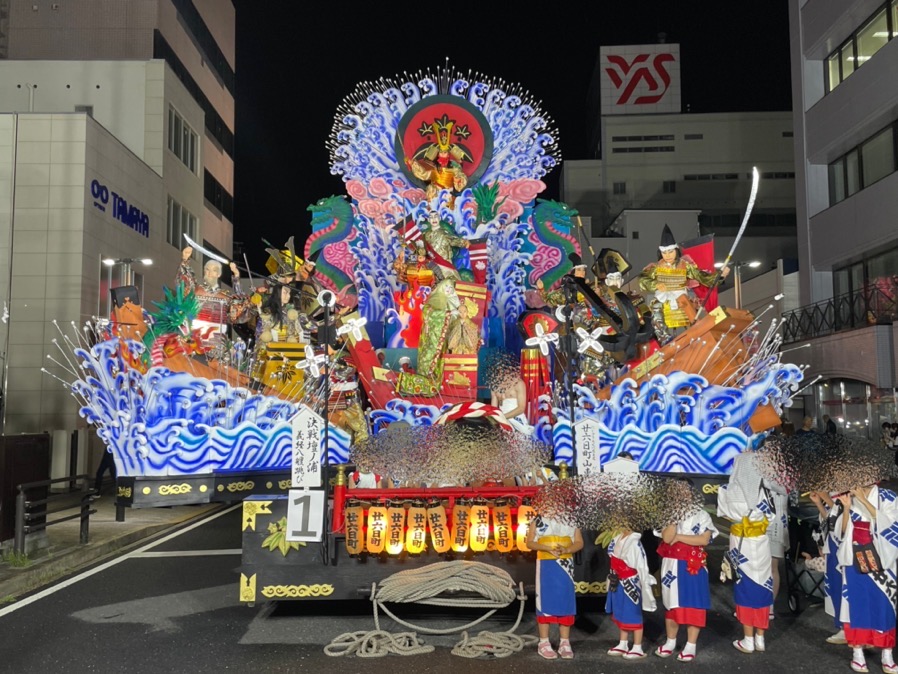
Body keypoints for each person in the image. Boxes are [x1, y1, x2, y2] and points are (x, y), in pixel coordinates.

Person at [833, 482, 898, 674]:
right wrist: (846, 508)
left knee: (884, 606)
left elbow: (892, 526)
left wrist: (862, 499)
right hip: (854, 555)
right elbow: (841, 531)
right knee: (857, 606)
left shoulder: (888, 497)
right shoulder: (848, 495)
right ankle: (858, 655)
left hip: (881, 557)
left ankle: (887, 655)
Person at [717, 450, 773, 654]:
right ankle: (760, 638)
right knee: (763, 585)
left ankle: (748, 639)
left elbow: (723, 512)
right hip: (761, 542)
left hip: (741, 542)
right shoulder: (765, 490)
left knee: (745, 587)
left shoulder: (730, 490)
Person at [654, 492, 719, 662]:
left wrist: (679, 538)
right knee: (671, 604)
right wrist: (674, 517)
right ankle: (670, 642)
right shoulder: (668, 514)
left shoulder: (702, 514)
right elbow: (667, 538)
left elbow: (703, 540)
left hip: (693, 564)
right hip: (671, 566)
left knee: (694, 604)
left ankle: (691, 645)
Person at [638, 225, 729, 342]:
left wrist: (720, 275)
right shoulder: (655, 267)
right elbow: (642, 279)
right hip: (664, 297)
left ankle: (698, 333)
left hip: (682, 295)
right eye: (664, 253)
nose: (668, 255)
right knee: (655, 308)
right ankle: (663, 337)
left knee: (693, 309)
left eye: (670, 251)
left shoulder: (685, 265)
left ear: (675, 250)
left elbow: (702, 276)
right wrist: (655, 284)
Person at [526, 513, 584, 659]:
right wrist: (545, 547)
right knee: (545, 601)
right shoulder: (538, 520)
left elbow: (579, 542)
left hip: (565, 565)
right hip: (546, 564)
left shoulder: (572, 518)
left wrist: (567, 550)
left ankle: (565, 642)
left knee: (566, 601)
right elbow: (529, 542)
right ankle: (543, 642)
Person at [606, 526, 657, 659]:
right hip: (618, 579)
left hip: (630, 581)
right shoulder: (617, 538)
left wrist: (644, 581)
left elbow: (641, 565)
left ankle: (637, 646)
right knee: (621, 611)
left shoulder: (635, 542)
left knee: (633, 612)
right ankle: (623, 643)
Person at [809, 490, 847, 645]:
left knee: (846, 588)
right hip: (832, 545)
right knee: (836, 586)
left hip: (845, 546)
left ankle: (851, 629)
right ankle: (843, 626)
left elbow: (846, 516)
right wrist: (820, 503)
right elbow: (831, 522)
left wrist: (827, 499)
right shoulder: (832, 490)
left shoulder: (848, 489)